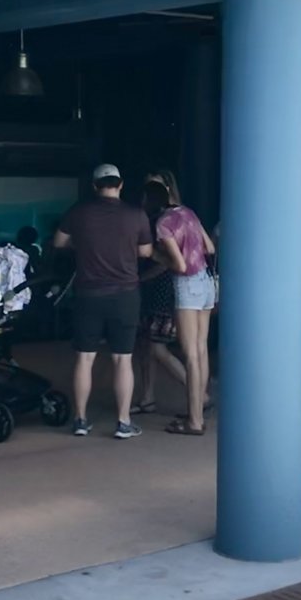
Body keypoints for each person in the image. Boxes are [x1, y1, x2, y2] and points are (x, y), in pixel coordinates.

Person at [53, 163, 152, 439]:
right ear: (120, 184)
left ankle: (80, 420)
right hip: (125, 295)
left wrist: (83, 244)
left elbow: (59, 242)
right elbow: (146, 251)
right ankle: (123, 422)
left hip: (88, 295)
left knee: (85, 358)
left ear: (95, 186)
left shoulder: (79, 212)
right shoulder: (136, 214)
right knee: (123, 359)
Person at [152, 185, 217, 436]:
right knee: (201, 350)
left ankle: (194, 421)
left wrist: (157, 257)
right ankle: (197, 412)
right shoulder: (188, 213)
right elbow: (209, 248)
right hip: (206, 283)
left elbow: (178, 265)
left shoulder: (163, 223)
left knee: (190, 354)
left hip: (187, 285)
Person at [131, 180, 190, 416]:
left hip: (161, 293)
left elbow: (166, 264)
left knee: (157, 348)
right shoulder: (169, 219)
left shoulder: (160, 224)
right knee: (146, 347)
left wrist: (140, 278)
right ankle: (147, 398)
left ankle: (198, 392)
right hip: (154, 293)